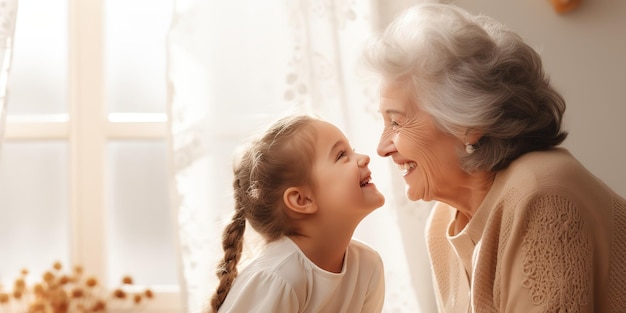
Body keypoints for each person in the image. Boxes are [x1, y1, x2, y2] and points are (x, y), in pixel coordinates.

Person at [363, 3, 626, 313]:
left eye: (396, 122)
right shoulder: (442, 222)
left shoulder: (542, 193)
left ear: (467, 125)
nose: (382, 148)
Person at [208, 114, 386, 313]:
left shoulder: (368, 266)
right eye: (341, 155)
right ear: (302, 200)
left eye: (351, 151)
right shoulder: (278, 278)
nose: (364, 158)